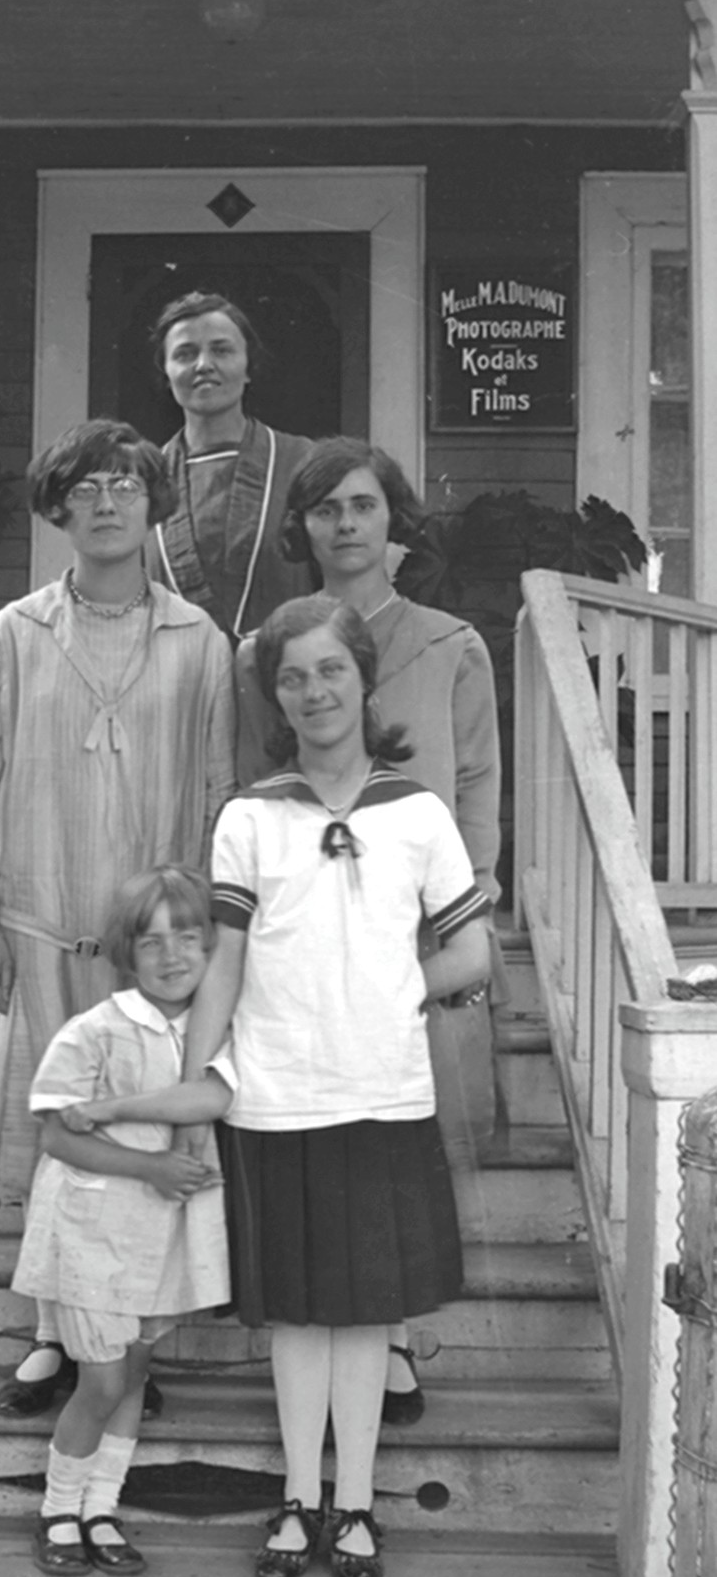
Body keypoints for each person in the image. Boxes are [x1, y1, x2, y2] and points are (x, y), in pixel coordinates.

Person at [170, 596, 490, 1577]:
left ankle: (353, 1505)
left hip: (384, 1096)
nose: (313, 691)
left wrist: (392, 990)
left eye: (330, 671)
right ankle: (294, 1500)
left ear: (362, 679)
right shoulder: (249, 815)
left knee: (362, 1314)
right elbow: (222, 963)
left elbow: (471, 950)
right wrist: (192, 1082)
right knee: (298, 1314)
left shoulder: (416, 812)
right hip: (274, 1097)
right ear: (275, 696)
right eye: (292, 677)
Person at [0, 419, 235, 1419]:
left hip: (150, 953)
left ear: (154, 504)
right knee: (54, 1136)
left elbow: (221, 792)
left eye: (127, 484)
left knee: (143, 1144)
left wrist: (195, 941)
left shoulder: (201, 641)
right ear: (59, 507)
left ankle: (130, 1351)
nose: (107, 501)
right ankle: (55, 1337)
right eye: (86, 487)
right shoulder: (15, 634)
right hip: (36, 928)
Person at [235, 436, 503, 1424]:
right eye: (323, 509)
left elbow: (474, 783)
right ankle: (318, 1334)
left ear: (393, 520)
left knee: (398, 1138)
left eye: (362, 505)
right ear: (300, 529)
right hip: (306, 931)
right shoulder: (266, 651)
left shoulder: (449, 644)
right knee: (322, 1135)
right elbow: (246, 785)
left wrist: (465, 911)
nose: (345, 524)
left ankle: (387, 1337)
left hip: (419, 921)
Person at [12, 865, 230, 1577]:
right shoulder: (98, 1030)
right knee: (101, 1381)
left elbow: (211, 1100)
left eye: (189, 938)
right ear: (126, 952)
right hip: (91, 1230)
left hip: (159, 1238)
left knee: (135, 1373)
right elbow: (57, 1135)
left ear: (211, 947)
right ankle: (58, 1509)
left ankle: (102, 1507)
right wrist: (153, 1168)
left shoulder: (219, 1030)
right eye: (153, 941)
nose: (173, 956)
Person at [143, 290, 314, 642]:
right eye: (185, 354)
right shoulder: (143, 476)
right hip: (177, 683)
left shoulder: (302, 461)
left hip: (285, 679)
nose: (203, 364)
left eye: (221, 350)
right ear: (167, 372)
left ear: (249, 367)